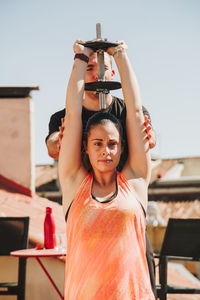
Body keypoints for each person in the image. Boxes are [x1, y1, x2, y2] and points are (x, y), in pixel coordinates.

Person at [46, 43, 157, 298]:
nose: (106, 150)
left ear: (122, 147)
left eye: (112, 144)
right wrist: (80, 58)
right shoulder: (75, 184)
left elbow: (136, 111)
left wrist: (120, 54)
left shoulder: (136, 181)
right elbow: (73, 115)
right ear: (84, 147)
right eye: (97, 144)